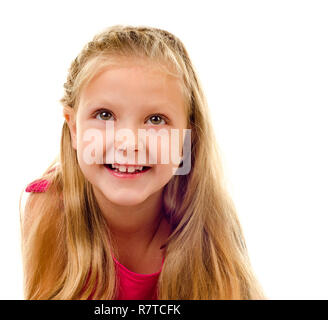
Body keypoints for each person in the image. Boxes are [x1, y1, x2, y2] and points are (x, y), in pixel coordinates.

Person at [19, 25, 265, 300]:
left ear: (187, 139)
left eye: (155, 120)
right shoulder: (50, 206)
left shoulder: (208, 217)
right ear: (74, 128)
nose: (129, 143)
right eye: (104, 115)